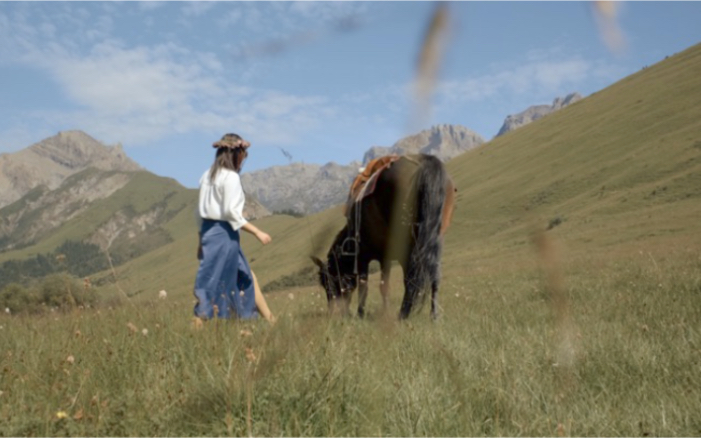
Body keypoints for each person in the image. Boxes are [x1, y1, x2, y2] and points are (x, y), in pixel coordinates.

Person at [193, 133, 273, 321]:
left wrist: (200, 240)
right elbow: (230, 213)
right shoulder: (230, 177)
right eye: (243, 155)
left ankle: (270, 319)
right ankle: (197, 326)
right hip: (224, 235)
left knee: (246, 274)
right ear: (236, 154)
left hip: (208, 233)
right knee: (212, 284)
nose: (243, 159)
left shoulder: (207, 175)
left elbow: (199, 212)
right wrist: (257, 232)